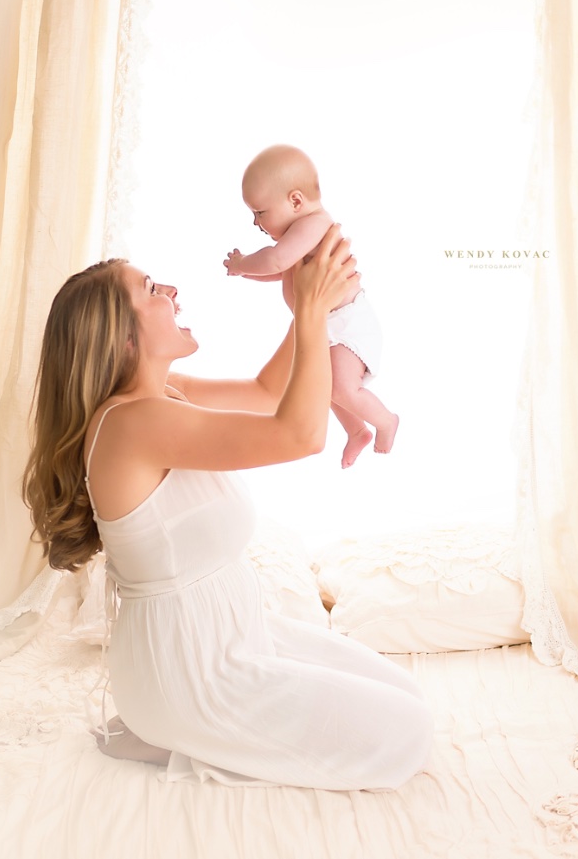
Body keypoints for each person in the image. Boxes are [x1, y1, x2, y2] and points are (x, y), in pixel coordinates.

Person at [22, 226, 433, 790]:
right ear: (122, 339)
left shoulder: (164, 396)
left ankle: (182, 727)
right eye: (150, 290)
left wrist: (311, 301)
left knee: (406, 697)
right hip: (193, 673)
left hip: (237, 637)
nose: (170, 290)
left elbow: (268, 392)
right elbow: (299, 434)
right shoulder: (132, 425)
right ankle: (177, 727)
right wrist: (312, 311)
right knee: (406, 733)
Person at [224, 144, 399, 468]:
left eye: (260, 212)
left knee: (343, 388)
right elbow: (281, 270)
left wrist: (242, 263)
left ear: (295, 201)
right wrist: (248, 274)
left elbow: (275, 260)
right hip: (328, 323)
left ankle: (386, 420)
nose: (255, 222)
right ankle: (357, 430)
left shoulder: (314, 224)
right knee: (328, 386)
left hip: (348, 322)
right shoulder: (296, 239)